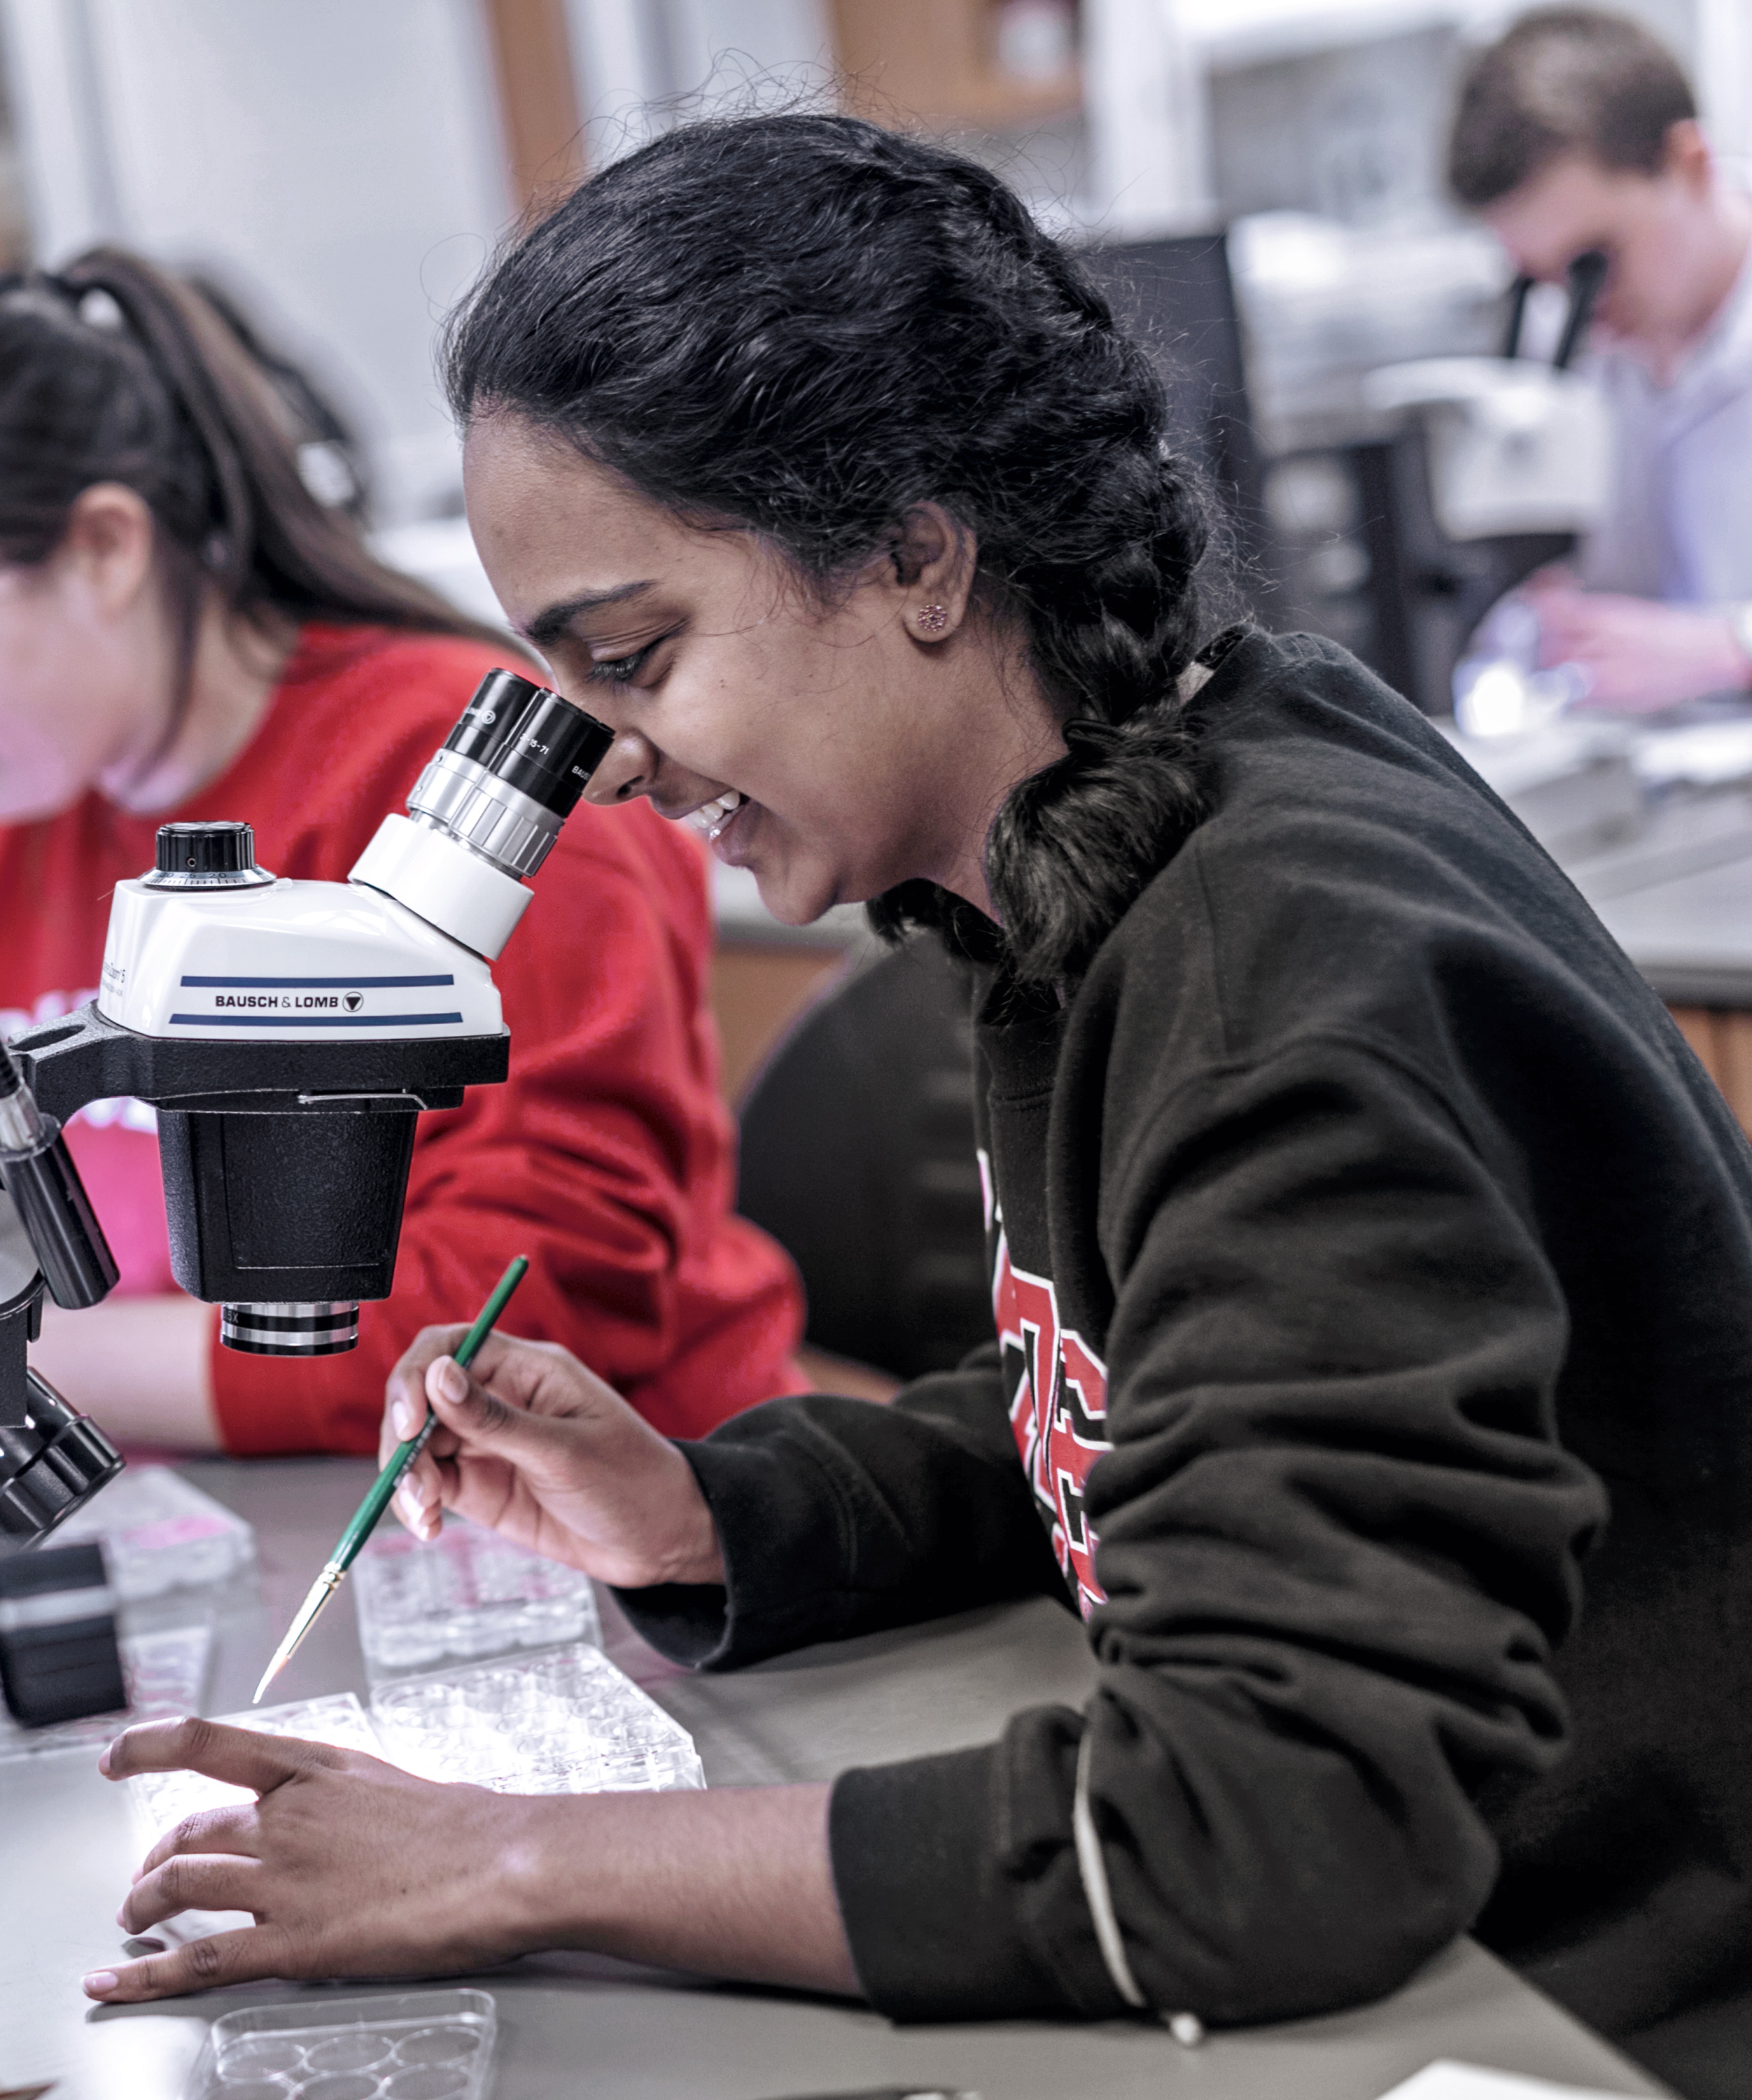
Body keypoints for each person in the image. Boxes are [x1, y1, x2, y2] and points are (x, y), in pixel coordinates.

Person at [88, 115, 1752, 2100]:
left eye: (634, 658)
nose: (602, 770)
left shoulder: (1281, 966)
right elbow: (1162, 1414)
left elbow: (1265, 1838)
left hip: (1598, 2014)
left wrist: (514, 1855)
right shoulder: (1114, 836)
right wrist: (707, 1514)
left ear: (912, 553)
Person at [0, 247, 806, 1455]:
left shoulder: (468, 785)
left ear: (104, 546)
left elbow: (531, 1308)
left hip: (594, 1528)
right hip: (222, 1499)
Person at [1450, 7, 1752, 713]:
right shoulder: (1590, 353)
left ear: (1688, 165)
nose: (1581, 310)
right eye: (1541, 279)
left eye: (1593, 264)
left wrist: (1730, 649)